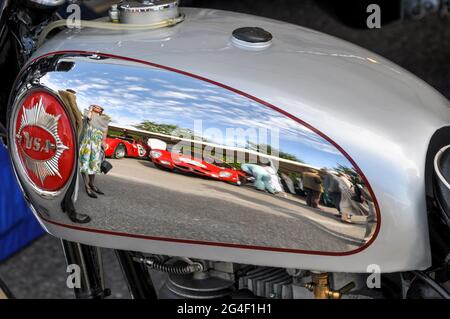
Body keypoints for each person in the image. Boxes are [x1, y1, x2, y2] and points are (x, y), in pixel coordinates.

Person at [79, 105, 110, 198]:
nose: (97, 107)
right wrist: (90, 110)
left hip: (96, 145)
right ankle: (87, 186)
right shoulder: (88, 115)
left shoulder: (103, 120)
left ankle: (92, 184)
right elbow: (87, 119)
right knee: (84, 165)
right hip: (86, 143)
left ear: (101, 110)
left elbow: (104, 132)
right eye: (95, 106)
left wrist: (103, 142)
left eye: (99, 107)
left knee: (93, 165)